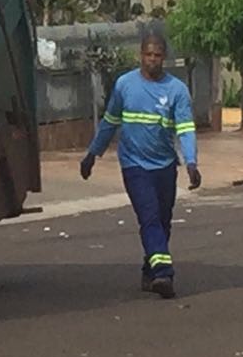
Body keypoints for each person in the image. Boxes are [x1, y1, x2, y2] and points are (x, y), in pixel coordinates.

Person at [80, 32, 200, 299]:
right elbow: (110, 122)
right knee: (149, 217)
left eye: (157, 56)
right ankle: (163, 273)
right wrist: (92, 154)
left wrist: (191, 163)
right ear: (141, 55)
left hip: (165, 165)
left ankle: (149, 269)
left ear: (164, 58)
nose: (152, 60)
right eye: (148, 55)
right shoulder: (125, 85)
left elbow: (186, 129)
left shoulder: (176, 90)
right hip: (134, 164)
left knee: (163, 220)